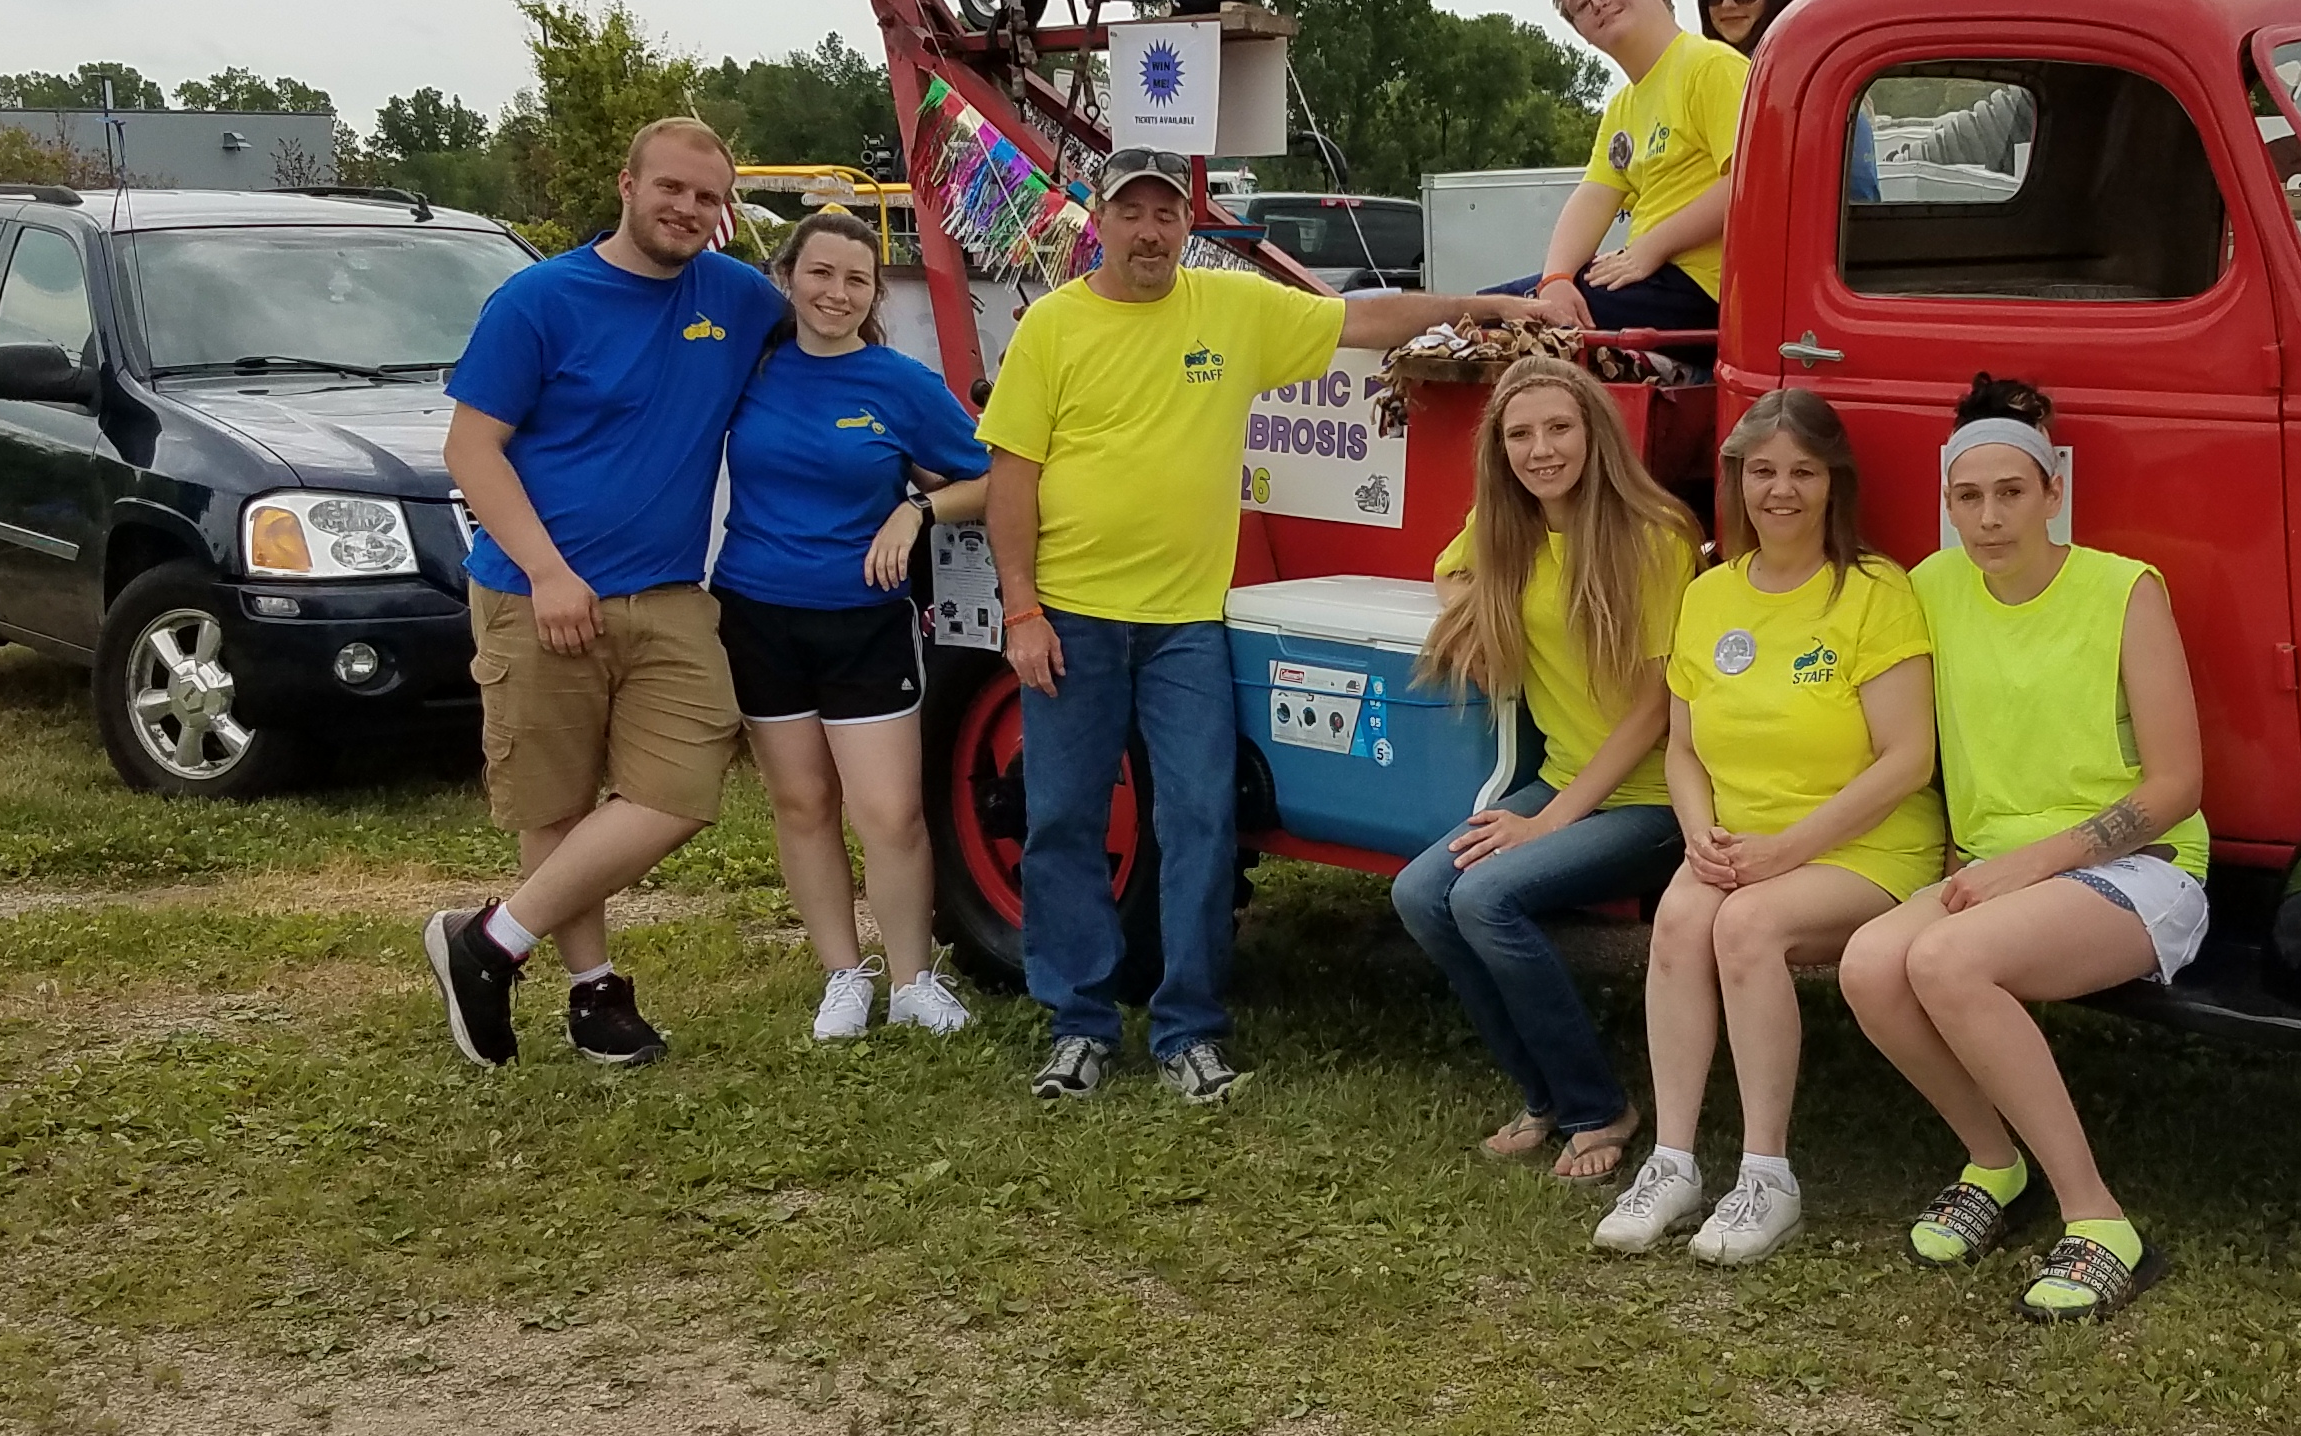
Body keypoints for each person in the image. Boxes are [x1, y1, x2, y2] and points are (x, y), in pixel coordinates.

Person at [984, 148, 1511, 1104]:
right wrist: (1021, 607)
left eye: (1167, 214)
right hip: (1071, 616)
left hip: (1188, 622)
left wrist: (1509, 312)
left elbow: (1369, 317)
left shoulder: (1231, 309)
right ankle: (1080, 1026)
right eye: (1131, 213)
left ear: (1189, 224)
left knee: (1198, 820)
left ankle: (1189, 1028)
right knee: (1061, 821)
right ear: (1097, 222)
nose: (1150, 231)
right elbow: (1011, 478)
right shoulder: (1052, 328)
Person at [1839, 375, 2208, 1322]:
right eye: (1969, 496)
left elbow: (2176, 788)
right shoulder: (1927, 588)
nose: (1991, 517)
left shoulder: (2125, 590)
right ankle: (1994, 1167)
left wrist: (2035, 862)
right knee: (1871, 966)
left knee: (1947, 962)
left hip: (2141, 867)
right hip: (1996, 871)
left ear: (2054, 492)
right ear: (1948, 502)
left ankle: (2098, 1222)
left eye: (2012, 493)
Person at [423, 117, 785, 1070]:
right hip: (536, 591)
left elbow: (832, 332)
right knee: (557, 804)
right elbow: (471, 448)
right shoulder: (539, 300)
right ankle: (594, 996)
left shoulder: (740, 297)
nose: (689, 210)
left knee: (681, 790)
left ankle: (488, 941)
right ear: (626, 185)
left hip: (666, 592)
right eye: (671, 188)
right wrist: (548, 572)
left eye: (709, 198)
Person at [1596, 389, 1944, 1265]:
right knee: (1678, 919)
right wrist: (1699, 831)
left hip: (1861, 845)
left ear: (1835, 485)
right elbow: (1680, 746)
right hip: (1738, 842)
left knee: (1748, 928)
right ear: (1737, 481)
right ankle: (1673, 1162)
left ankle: (1766, 1176)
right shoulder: (1710, 592)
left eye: (1802, 472)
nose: (1780, 490)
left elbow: (1908, 758)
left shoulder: (1874, 590)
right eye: (1762, 472)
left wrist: (1790, 850)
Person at [1395, 356, 1701, 1181]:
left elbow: (1653, 709)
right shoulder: (1509, 526)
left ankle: (1600, 1107)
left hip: (1655, 798)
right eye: (1520, 434)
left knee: (1487, 898)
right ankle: (1545, 1097)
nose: (1541, 450)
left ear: (1594, 432)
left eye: (1559, 428)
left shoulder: (1656, 534)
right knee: (1420, 894)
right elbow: (1451, 568)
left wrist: (1551, 820)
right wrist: (1472, 607)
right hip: (1566, 779)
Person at [716, 205, 993, 1043]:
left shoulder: (899, 382)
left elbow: (996, 474)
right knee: (802, 804)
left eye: (856, 279)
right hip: (758, 611)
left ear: (874, 292)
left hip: (864, 622)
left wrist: (916, 509)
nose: (836, 293)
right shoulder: (748, 368)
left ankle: (913, 978)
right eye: (821, 274)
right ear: (789, 279)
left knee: (890, 813)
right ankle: (844, 974)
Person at [1495, 0, 1747, 335]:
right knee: (1489, 305)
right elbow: (1594, 196)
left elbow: (1749, 181)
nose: (1597, 2)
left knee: (1500, 318)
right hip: (1652, 279)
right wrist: (1556, 279)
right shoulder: (1621, 107)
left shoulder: (1711, 66)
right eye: (1579, 5)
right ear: (1580, 32)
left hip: (1709, 288)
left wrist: (1652, 247)